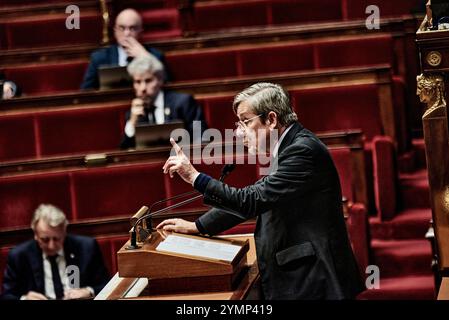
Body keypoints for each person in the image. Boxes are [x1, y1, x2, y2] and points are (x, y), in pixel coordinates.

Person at [157, 82, 365, 300]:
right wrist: (198, 226)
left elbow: (251, 201)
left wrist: (195, 177)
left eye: (245, 122)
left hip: (315, 279)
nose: (239, 132)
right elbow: (259, 198)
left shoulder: (301, 151)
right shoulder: (290, 146)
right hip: (306, 275)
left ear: (272, 120)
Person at [1, 204, 110, 300]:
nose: (51, 246)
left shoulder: (86, 248)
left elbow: (107, 285)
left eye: (57, 239)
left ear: (64, 232)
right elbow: (7, 295)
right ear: (35, 234)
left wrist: (89, 291)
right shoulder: (19, 256)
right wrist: (24, 298)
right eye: (45, 240)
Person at [119, 54, 207, 149]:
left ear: (160, 80)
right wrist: (132, 123)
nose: (143, 88)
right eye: (138, 82)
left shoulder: (183, 103)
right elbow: (125, 151)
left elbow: (202, 138)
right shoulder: (133, 113)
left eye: (148, 81)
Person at [80, 8, 167, 90]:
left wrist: (144, 56)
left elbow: (165, 86)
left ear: (141, 32)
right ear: (115, 31)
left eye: (132, 28)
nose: (126, 33)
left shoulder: (155, 56)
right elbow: (86, 92)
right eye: (122, 28)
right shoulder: (99, 58)